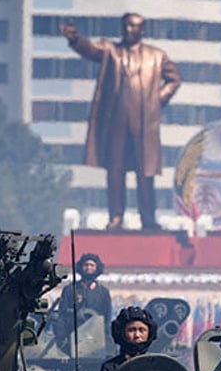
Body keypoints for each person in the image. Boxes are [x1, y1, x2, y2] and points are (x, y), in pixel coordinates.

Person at [61, 13, 182, 231]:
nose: (129, 30)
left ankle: (148, 218)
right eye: (126, 26)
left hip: (144, 124)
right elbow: (90, 49)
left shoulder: (156, 56)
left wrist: (157, 99)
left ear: (142, 30)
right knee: (115, 172)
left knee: (145, 174)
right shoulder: (111, 51)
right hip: (116, 122)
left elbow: (175, 79)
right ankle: (116, 217)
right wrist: (75, 39)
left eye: (134, 26)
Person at [55, 253, 113, 350]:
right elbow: (62, 312)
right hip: (73, 333)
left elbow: (107, 315)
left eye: (92, 265)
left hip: (96, 335)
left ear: (97, 268)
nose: (88, 268)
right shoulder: (70, 289)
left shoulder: (103, 291)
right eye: (86, 265)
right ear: (81, 267)